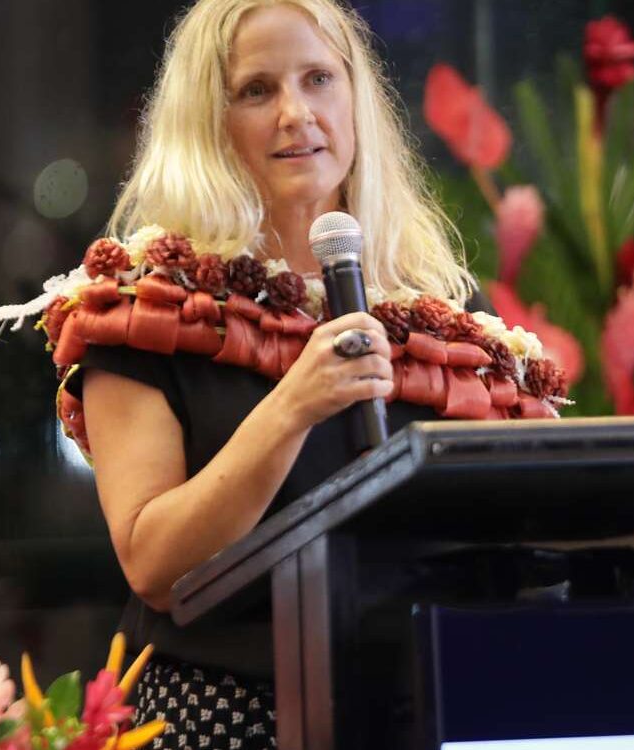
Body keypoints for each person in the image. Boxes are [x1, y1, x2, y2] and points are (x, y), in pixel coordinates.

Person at [31, 0, 560, 745]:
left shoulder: (445, 313)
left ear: (355, 100)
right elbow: (154, 565)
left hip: (437, 705)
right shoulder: (147, 311)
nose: (295, 113)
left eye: (318, 79)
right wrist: (292, 407)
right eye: (257, 90)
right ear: (208, 123)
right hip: (233, 716)